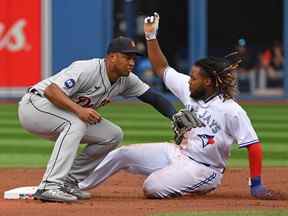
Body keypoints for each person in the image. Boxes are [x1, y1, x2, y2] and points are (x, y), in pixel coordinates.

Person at [77, 13, 278, 200]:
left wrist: (256, 183)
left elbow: (254, 145)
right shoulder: (189, 90)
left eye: (194, 77)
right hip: (177, 153)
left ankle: (197, 184)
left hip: (205, 168)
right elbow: (161, 68)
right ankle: (76, 185)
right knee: (121, 154)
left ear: (208, 82)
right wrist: (151, 36)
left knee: (152, 187)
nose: (189, 80)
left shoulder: (231, 110)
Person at [18, 36, 177, 202]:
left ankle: (68, 181)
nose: (132, 62)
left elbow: (154, 98)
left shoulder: (127, 80)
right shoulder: (87, 69)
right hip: (35, 106)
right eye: (127, 57)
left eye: (134, 58)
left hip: (60, 113)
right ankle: (49, 186)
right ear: (112, 57)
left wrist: (174, 116)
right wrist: (79, 110)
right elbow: (51, 91)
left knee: (112, 135)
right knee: (75, 122)